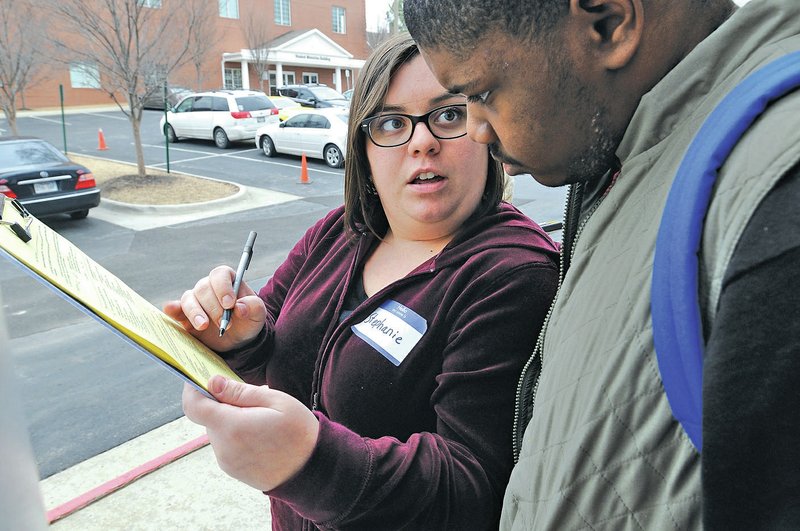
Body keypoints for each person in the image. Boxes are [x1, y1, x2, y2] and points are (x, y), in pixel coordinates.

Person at [404, 0, 800, 528]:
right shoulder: (624, 144)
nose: (476, 129)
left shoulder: (777, 192)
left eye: (481, 95)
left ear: (609, 24)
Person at [165, 33, 559, 530]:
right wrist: (244, 338)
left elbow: (475, 489)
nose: (422, 142)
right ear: (365, 152)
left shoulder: (512, 275)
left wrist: (310, 463)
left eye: (449, 115)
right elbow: (271, 358)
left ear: (485, 133)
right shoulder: (339, 233)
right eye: (392, 123)